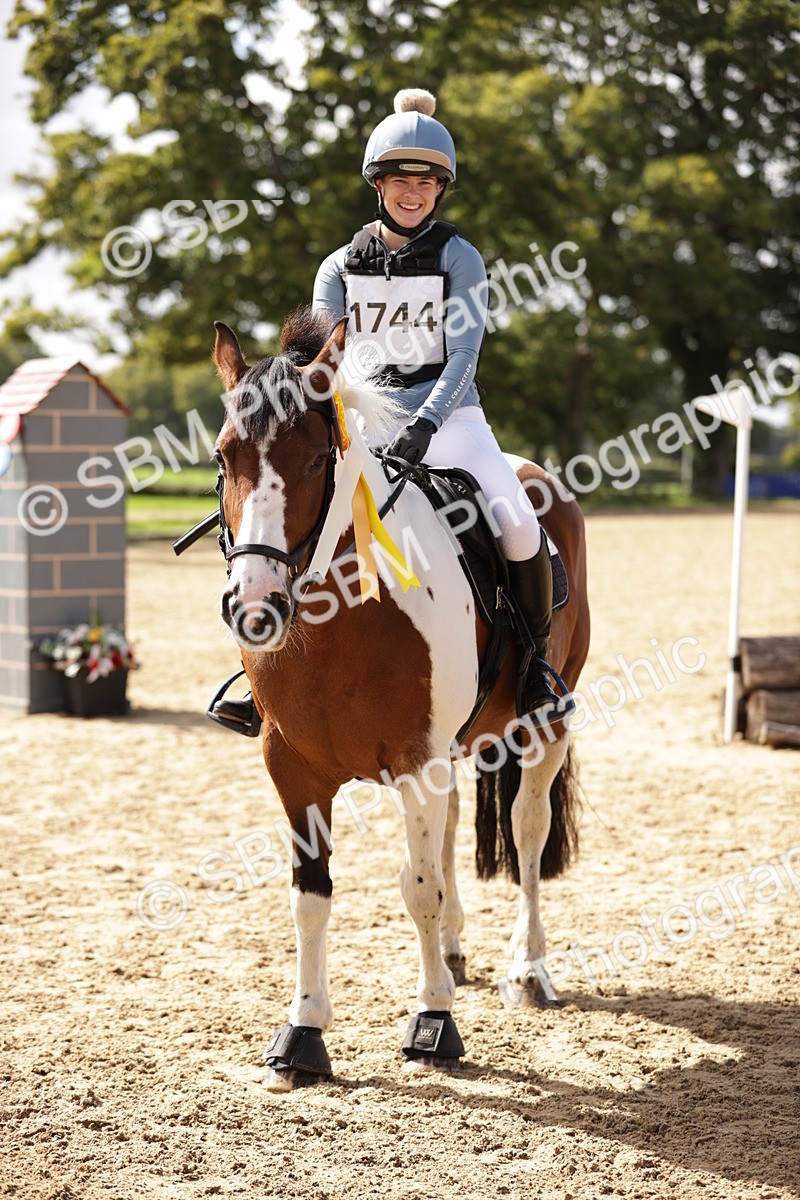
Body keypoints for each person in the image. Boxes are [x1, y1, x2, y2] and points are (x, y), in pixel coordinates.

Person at [212, 88, 564, 734]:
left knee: (518, 524)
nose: (413, 192)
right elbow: (318, 364)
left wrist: (425, 424)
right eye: (400, 179)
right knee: (289, 521)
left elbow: (463, 357)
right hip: (365, 426)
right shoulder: (339, 267)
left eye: (426, 182)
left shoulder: (460, 258)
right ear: (379, 184)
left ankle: (537, 666)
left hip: (451, 422)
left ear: (441, 190)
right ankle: (258, 675)